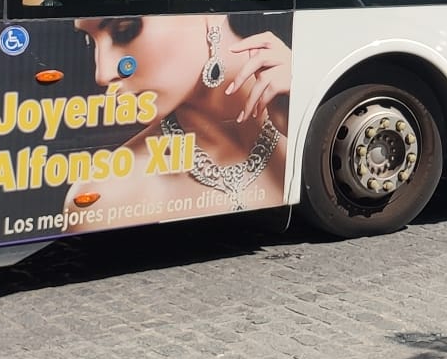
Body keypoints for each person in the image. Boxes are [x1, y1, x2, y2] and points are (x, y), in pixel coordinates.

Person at [64, 13, 292, 228]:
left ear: (212, 15)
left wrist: (302, 118)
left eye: (125, 31)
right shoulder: (107, 194)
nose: (102, 74)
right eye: (89, 42)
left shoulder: (298, 100)